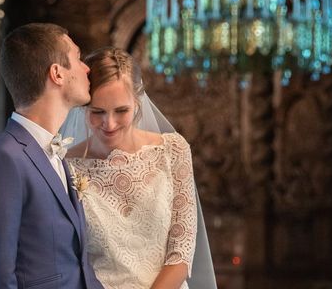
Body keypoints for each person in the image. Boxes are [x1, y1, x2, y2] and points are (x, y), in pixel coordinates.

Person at [63, 47, 217, 289]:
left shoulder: (173, 151)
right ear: (84, 108)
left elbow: (181, 253)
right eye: (97, 112)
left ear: (138, 102)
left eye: (121, 110)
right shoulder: (65, 164)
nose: (109, 123)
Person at [0, 23, 104, 289]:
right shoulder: (1, 159)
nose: (87, 68)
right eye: (77, 58)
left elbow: (75, 267)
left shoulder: (56, 154)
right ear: (57, 74)